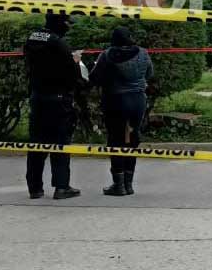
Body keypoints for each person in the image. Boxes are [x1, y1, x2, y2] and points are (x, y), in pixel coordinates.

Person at [89, 27, 156, 196]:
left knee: (115, 140)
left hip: (115, 101)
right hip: (137, 100)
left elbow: (95, 78)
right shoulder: (143, 53)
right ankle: (129, 183)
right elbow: (150, 73)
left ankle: (118, 184)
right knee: (132, 139)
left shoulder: (106, 55)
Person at [24, 12, 84, 200]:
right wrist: (75, 61)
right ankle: (61, 186)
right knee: (60, 143)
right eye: (67, 23)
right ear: (60, 23)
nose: (69, 27)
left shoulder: (32, 38)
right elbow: (72, 76)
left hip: (37, 97)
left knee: (36, 143)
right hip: (58, 99)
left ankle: (34, 188)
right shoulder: (59, 43)